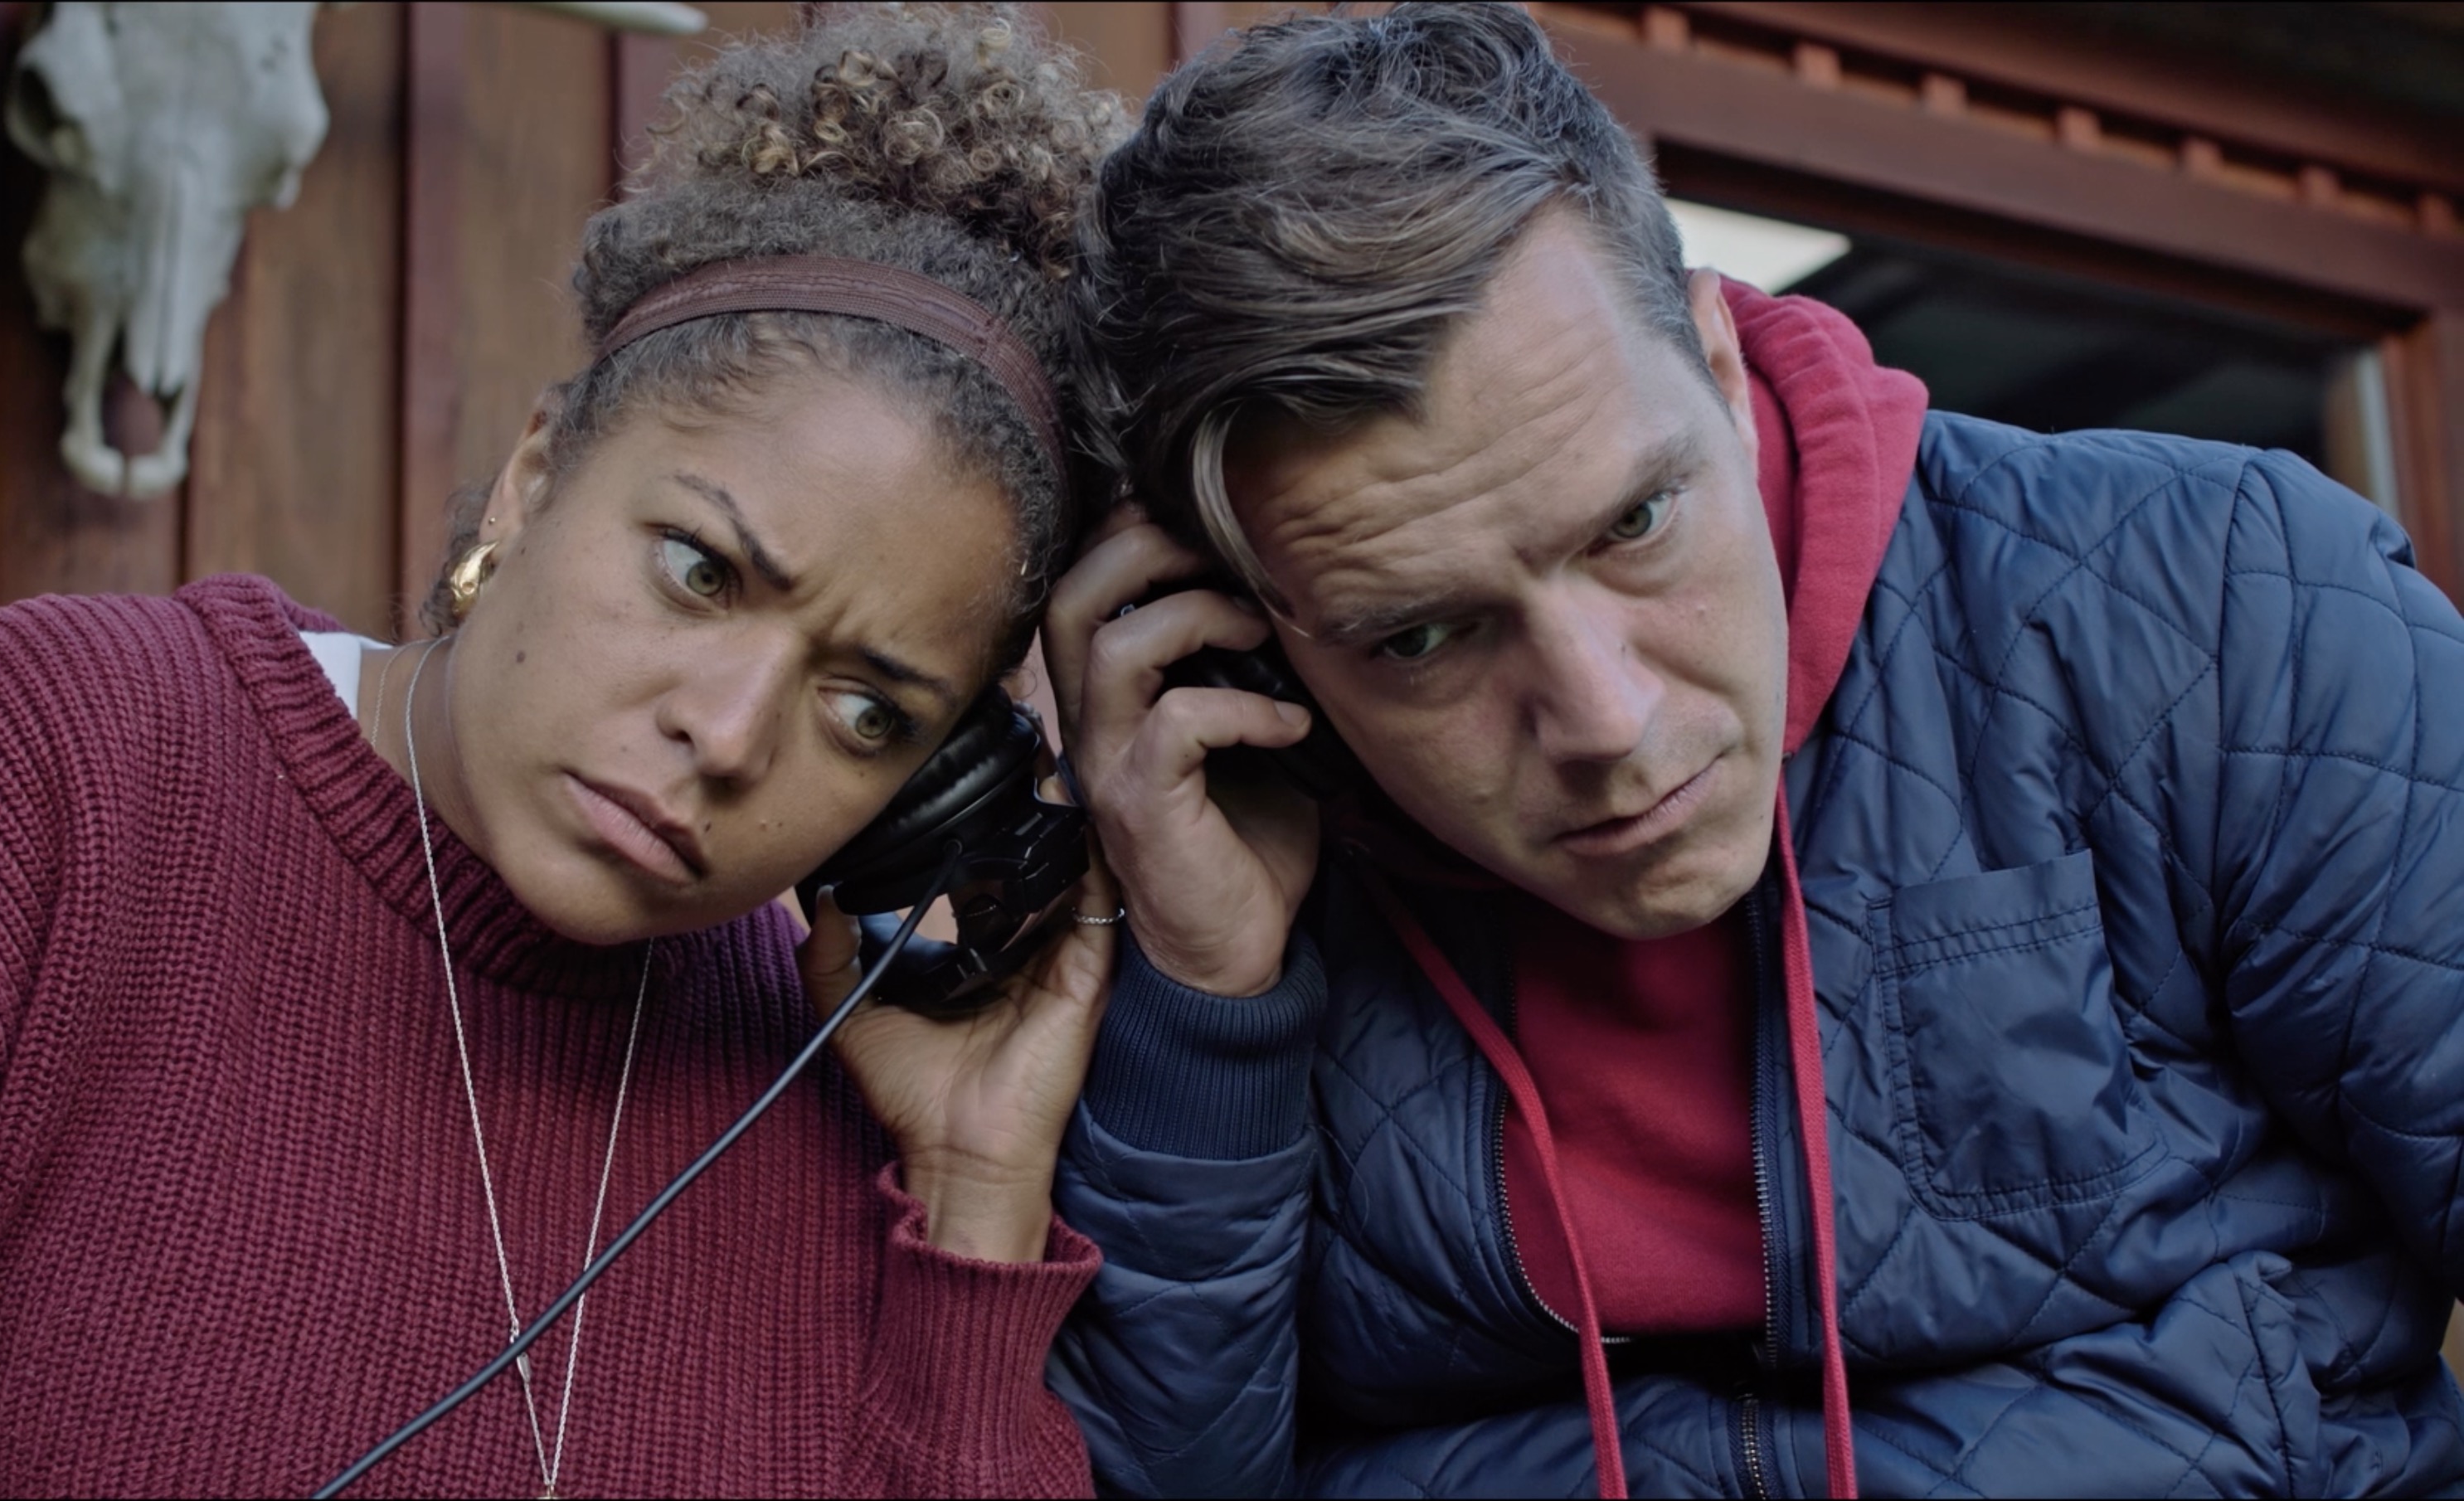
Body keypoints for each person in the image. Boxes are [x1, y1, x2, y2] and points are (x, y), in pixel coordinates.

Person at [0, 8, 1130, 1496]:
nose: (729, 736)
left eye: (869, 713)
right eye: (700, 571)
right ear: (535, 477)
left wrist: (974, 1199)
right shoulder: (76, 756)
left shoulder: (822, 1075)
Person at [1042, 5, 2464, 1496]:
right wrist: (1206, 1006)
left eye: (1636, 522)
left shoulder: (2220, 605)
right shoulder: (1209, 853)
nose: (1607, 721)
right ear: (1243, 632)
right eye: (1421, 637)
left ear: (1720, 359)